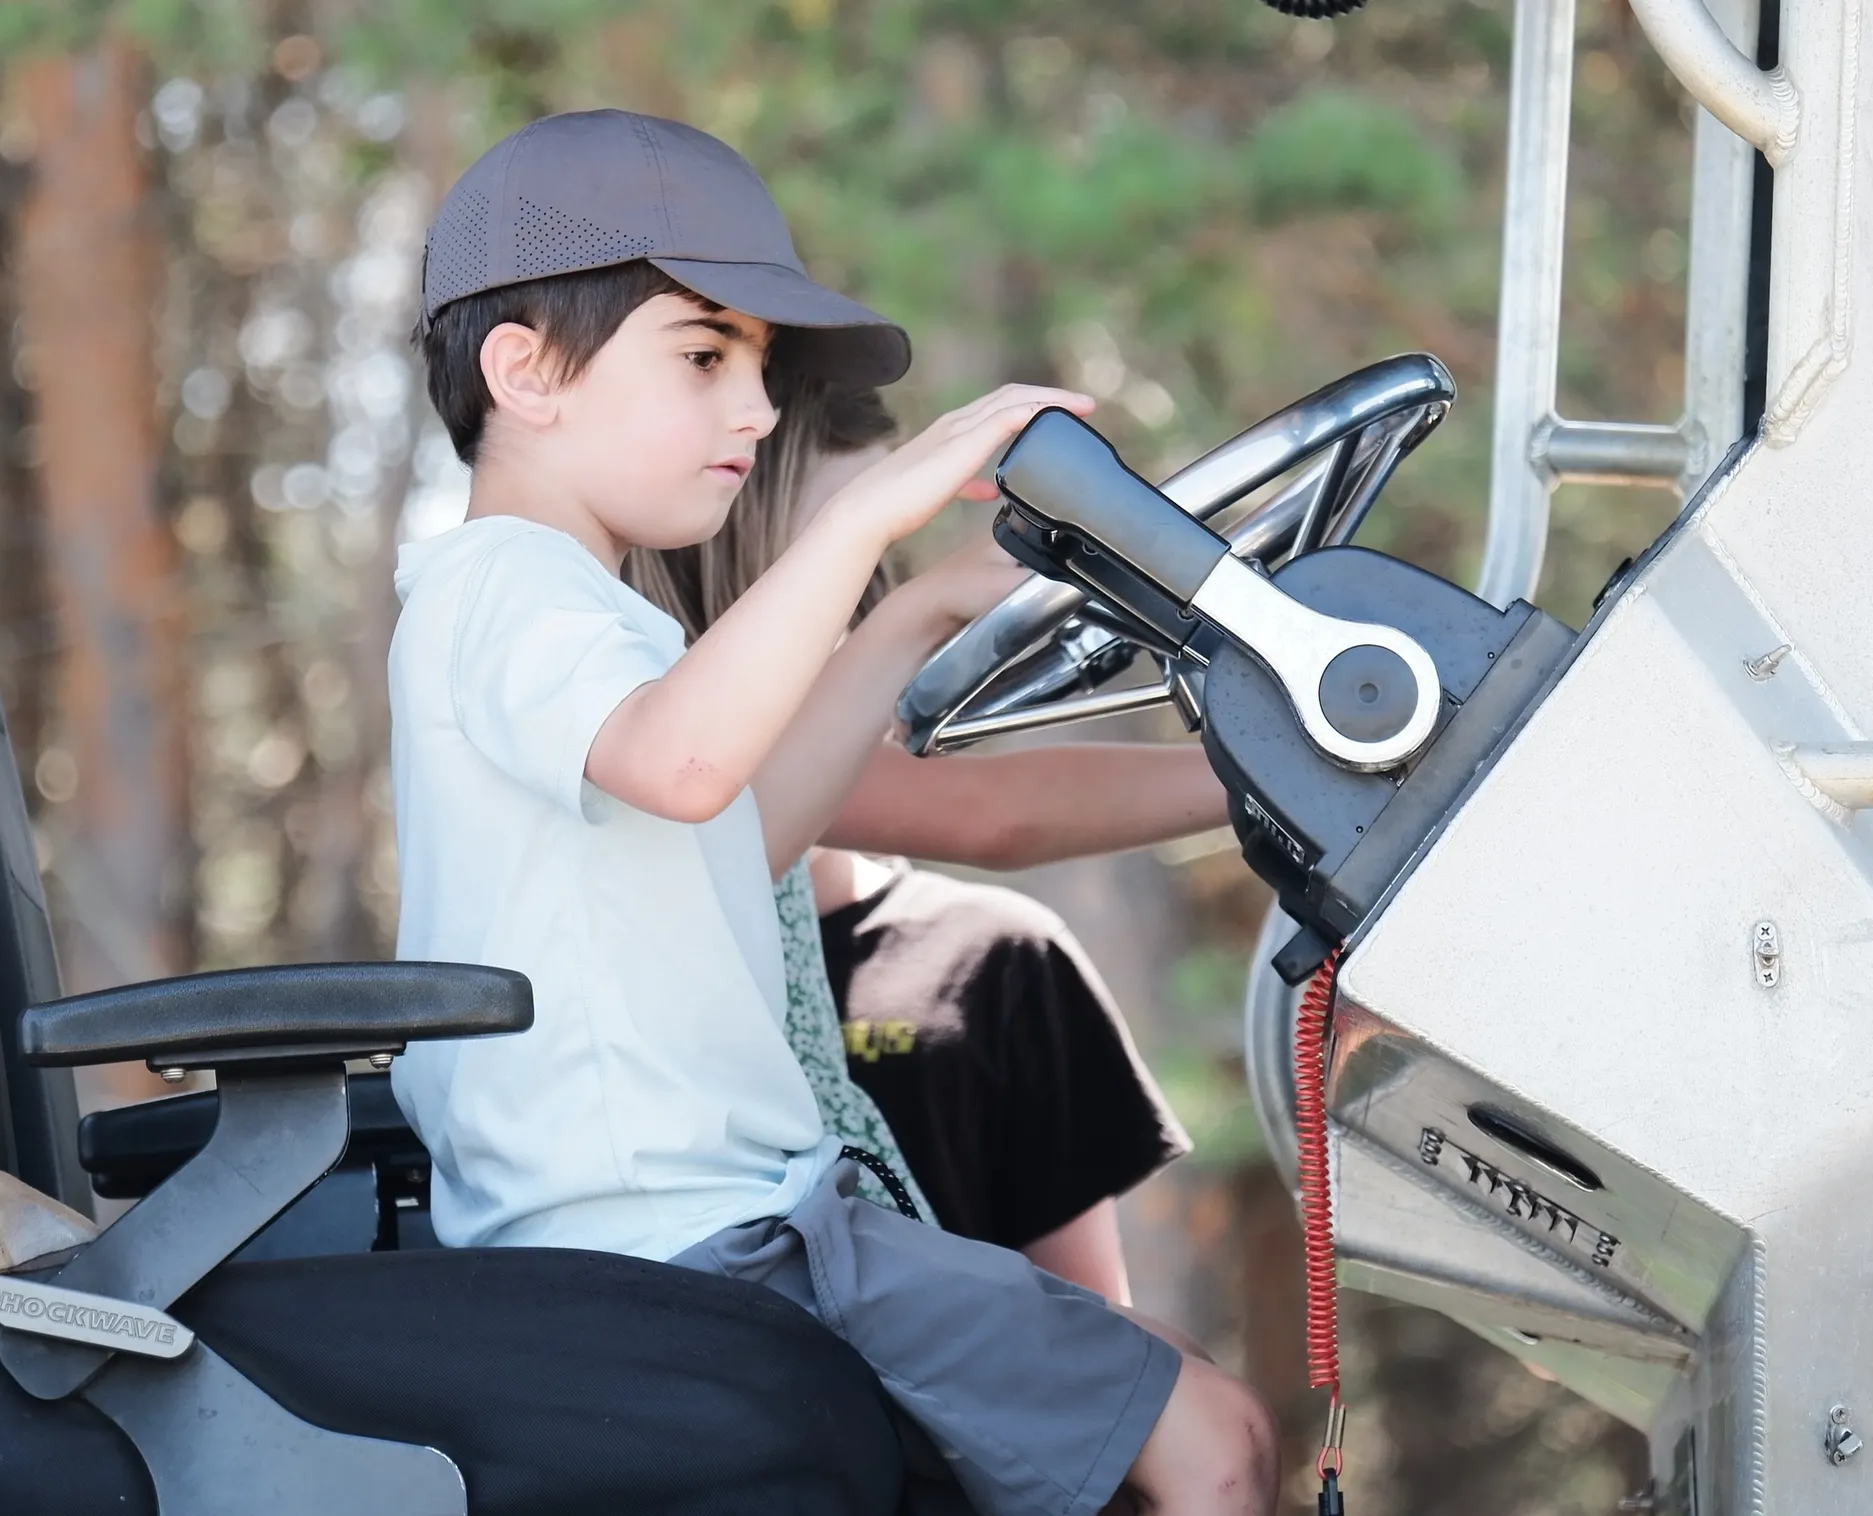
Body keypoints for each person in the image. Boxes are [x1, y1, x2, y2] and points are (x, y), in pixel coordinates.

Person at [390, 110, 1275, 1516]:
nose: (754, 410)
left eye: (758, 367)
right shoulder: (503, 586)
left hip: (738, 1226)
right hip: (696, 1240)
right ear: (526, 370)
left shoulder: (582, 619)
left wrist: (916, 610)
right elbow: (690, 768)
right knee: (1213, 1445)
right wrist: (860, 525)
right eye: (704, 357)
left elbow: (739, 835)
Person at [628, 379, 1225, 1306]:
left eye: (881, 572)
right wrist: (1283, 767)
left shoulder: (999, 962)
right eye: (834, 568)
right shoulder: (675, 771)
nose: (866, 614)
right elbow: (988, 809)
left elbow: (1091, 1319)